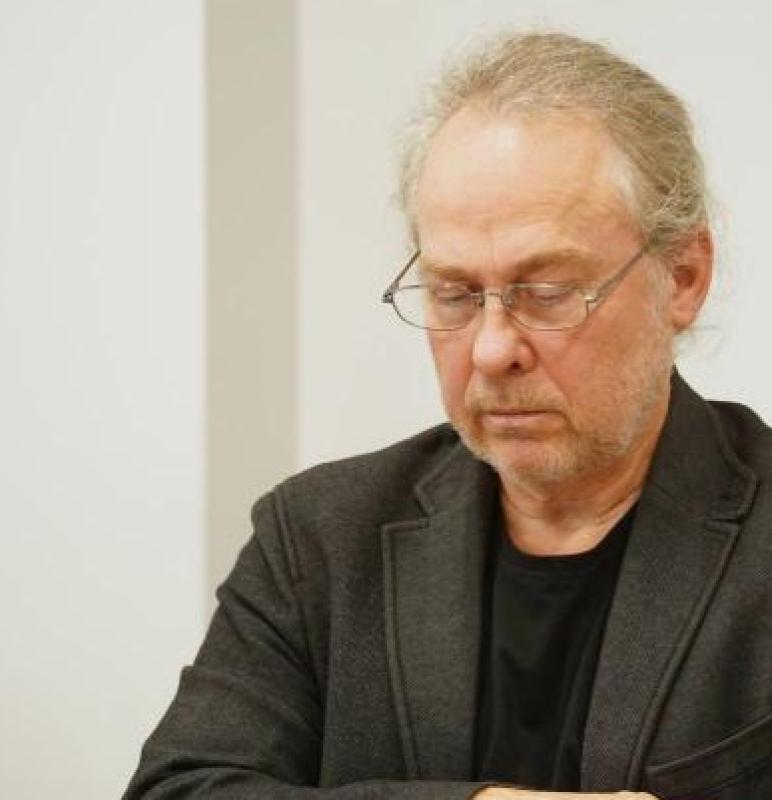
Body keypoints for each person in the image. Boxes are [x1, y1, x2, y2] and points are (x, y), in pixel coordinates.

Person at [123, 30, 772, 800]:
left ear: (683, 278)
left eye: (547, 293)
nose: (493, 349)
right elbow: (178, 788)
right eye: (455, 294)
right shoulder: (319, 538)